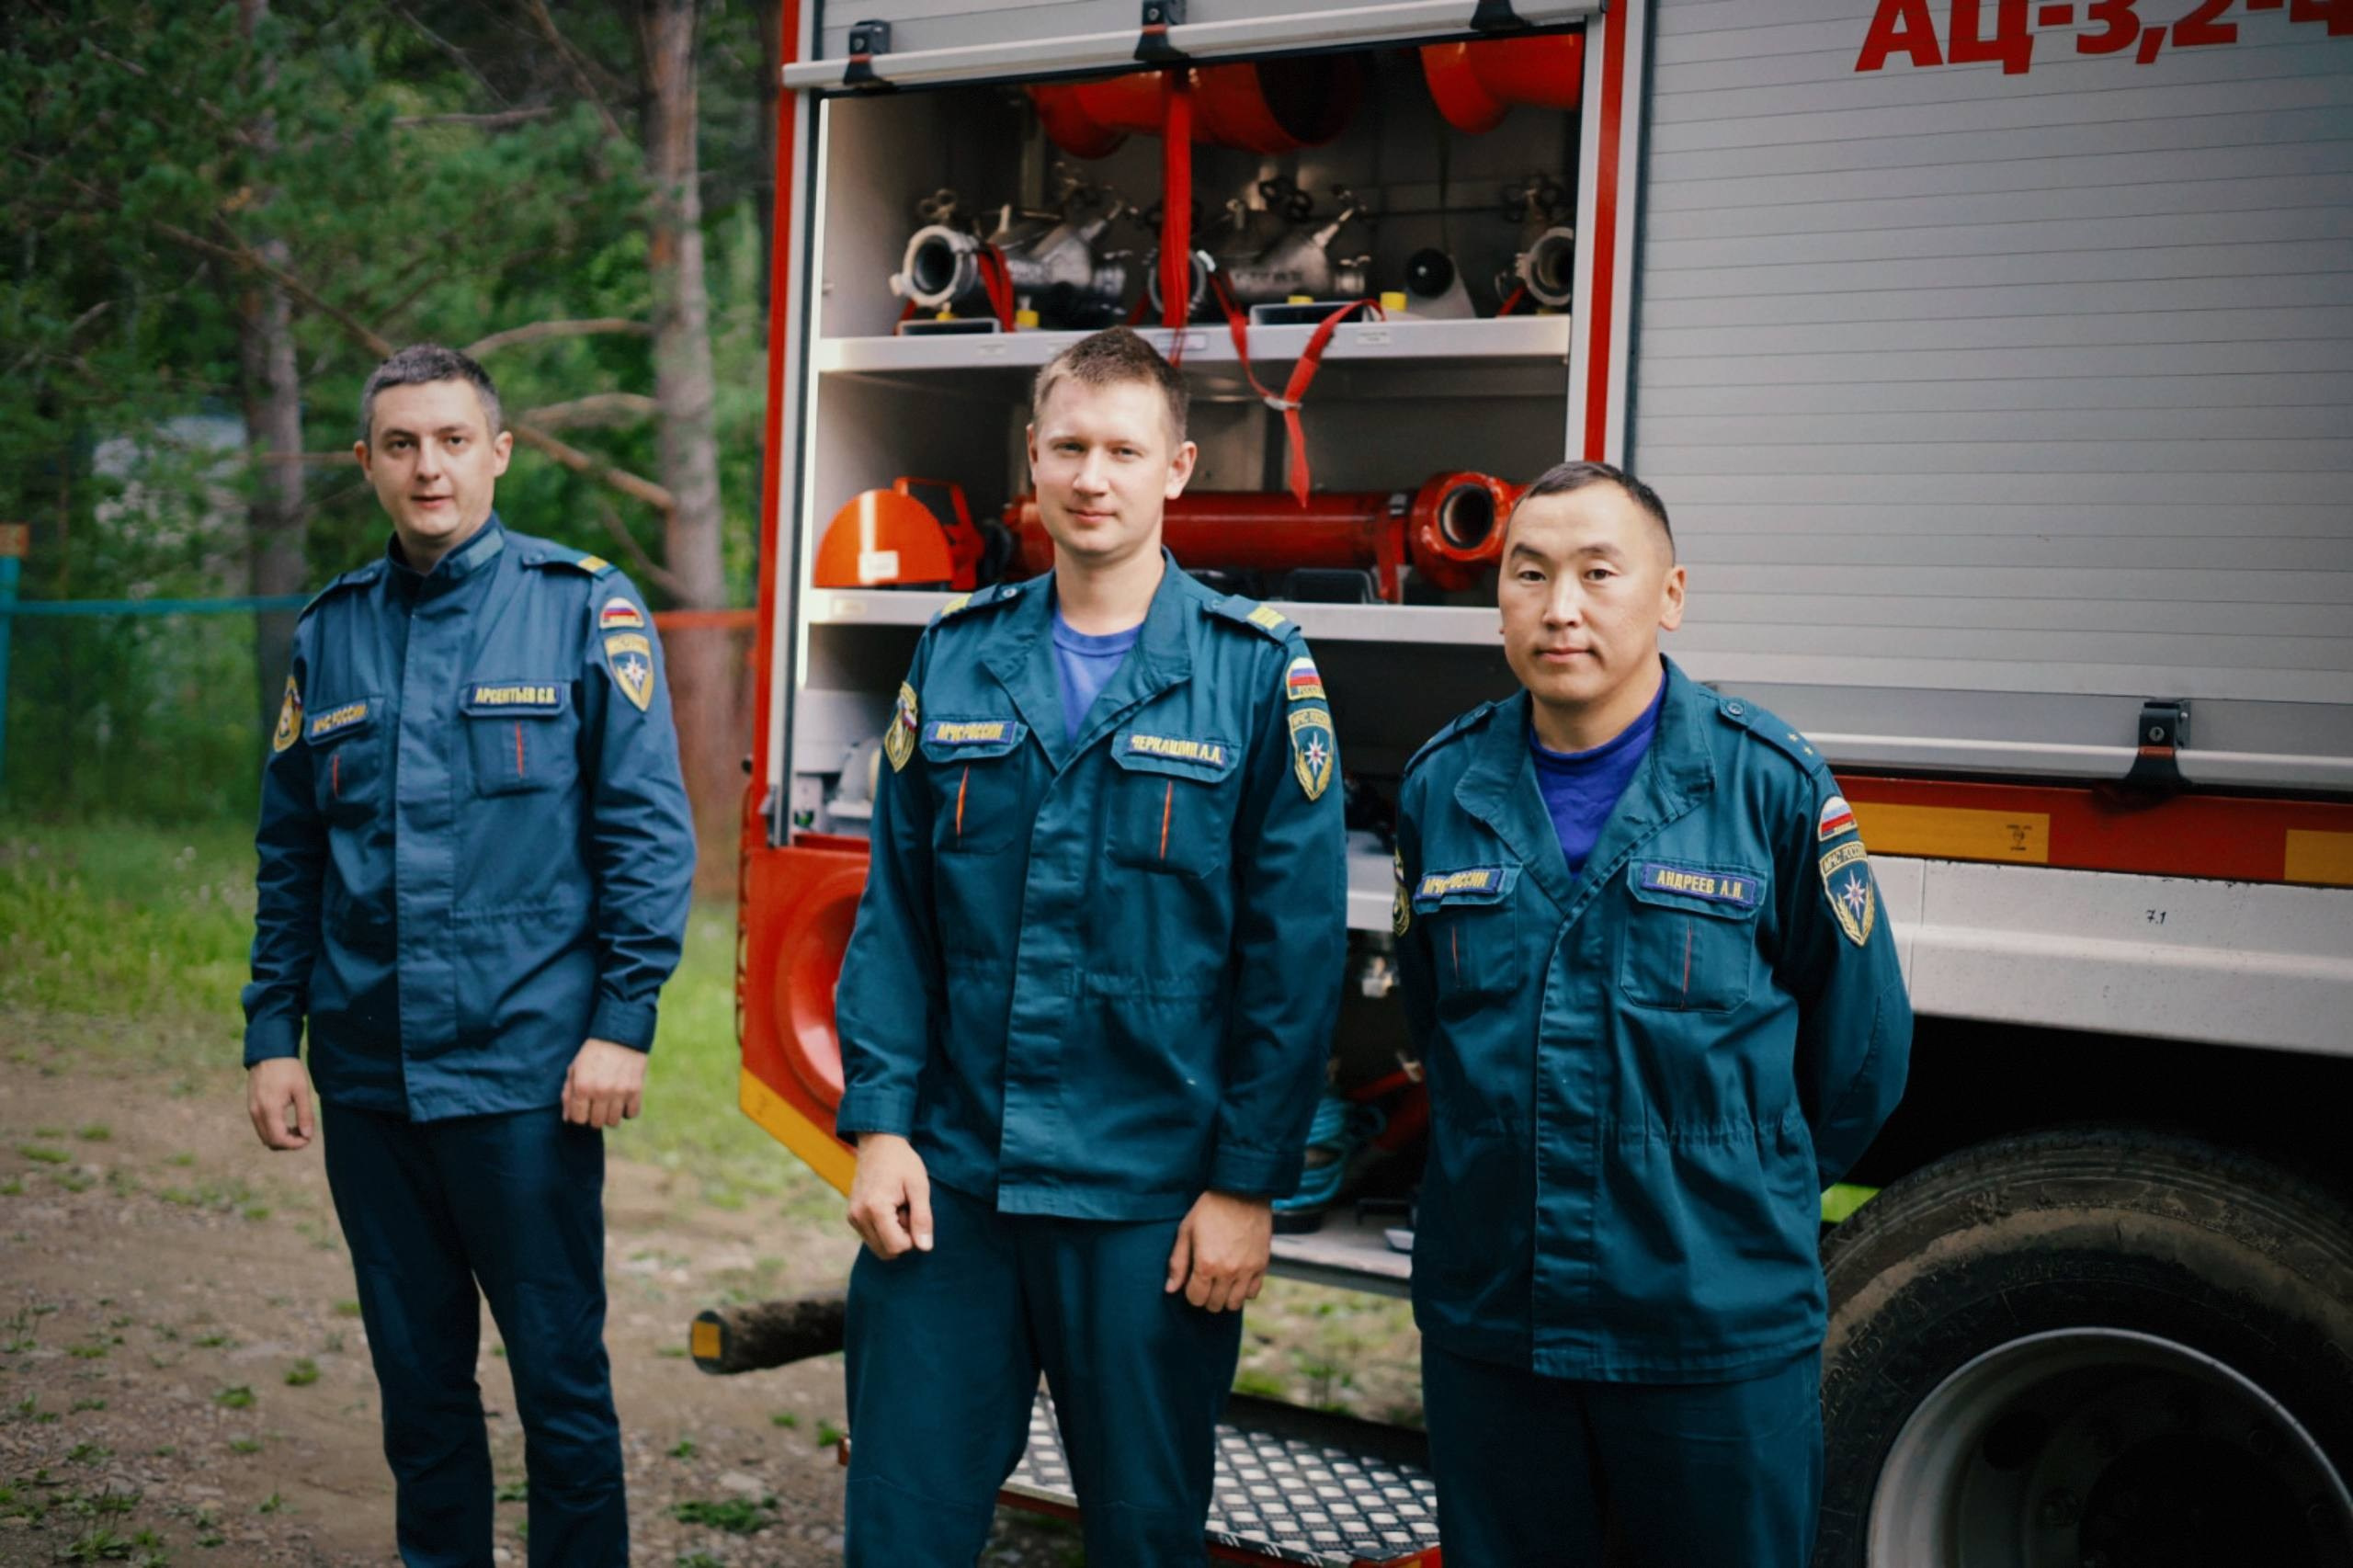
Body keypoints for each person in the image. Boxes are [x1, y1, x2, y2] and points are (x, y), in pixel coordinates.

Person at [829, 326, 1347, 1565]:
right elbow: (897, 912)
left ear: (1178, 467)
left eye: (1124, 448)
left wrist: (1244, 1184)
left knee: (1145, 1532)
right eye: (1070, 446)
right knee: (900, 1518)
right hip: (955, 1183)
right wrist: (884, 1123)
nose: (1093, 475)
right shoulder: (954, 659)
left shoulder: (1255, 675)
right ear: (1033, 460)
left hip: (1150, 1201)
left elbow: (1295, 957)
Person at [1392, 460, 1911, 1567]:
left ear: (1669, 594)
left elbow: (1858, 1053)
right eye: (1528, 574)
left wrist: (1731, 1191)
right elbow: (1433, 1019)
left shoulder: (1765, 783)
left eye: (1596, 572)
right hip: (1499, 1324)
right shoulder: (1442, 788)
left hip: (1707, 1328)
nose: (1560, 605)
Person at [240, 343, 696, 1567]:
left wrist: (623, 1018)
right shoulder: (328, 634)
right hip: (371, 1082)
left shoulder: (580, 607)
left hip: (527, 1081)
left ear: (498, 452)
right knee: (420, 1397)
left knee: (561, 1388)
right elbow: (292, 853)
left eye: (451, 440)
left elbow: (649, 837)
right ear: (368, 463)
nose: (427, 466)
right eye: (401, 444)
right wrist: (269, 1035)